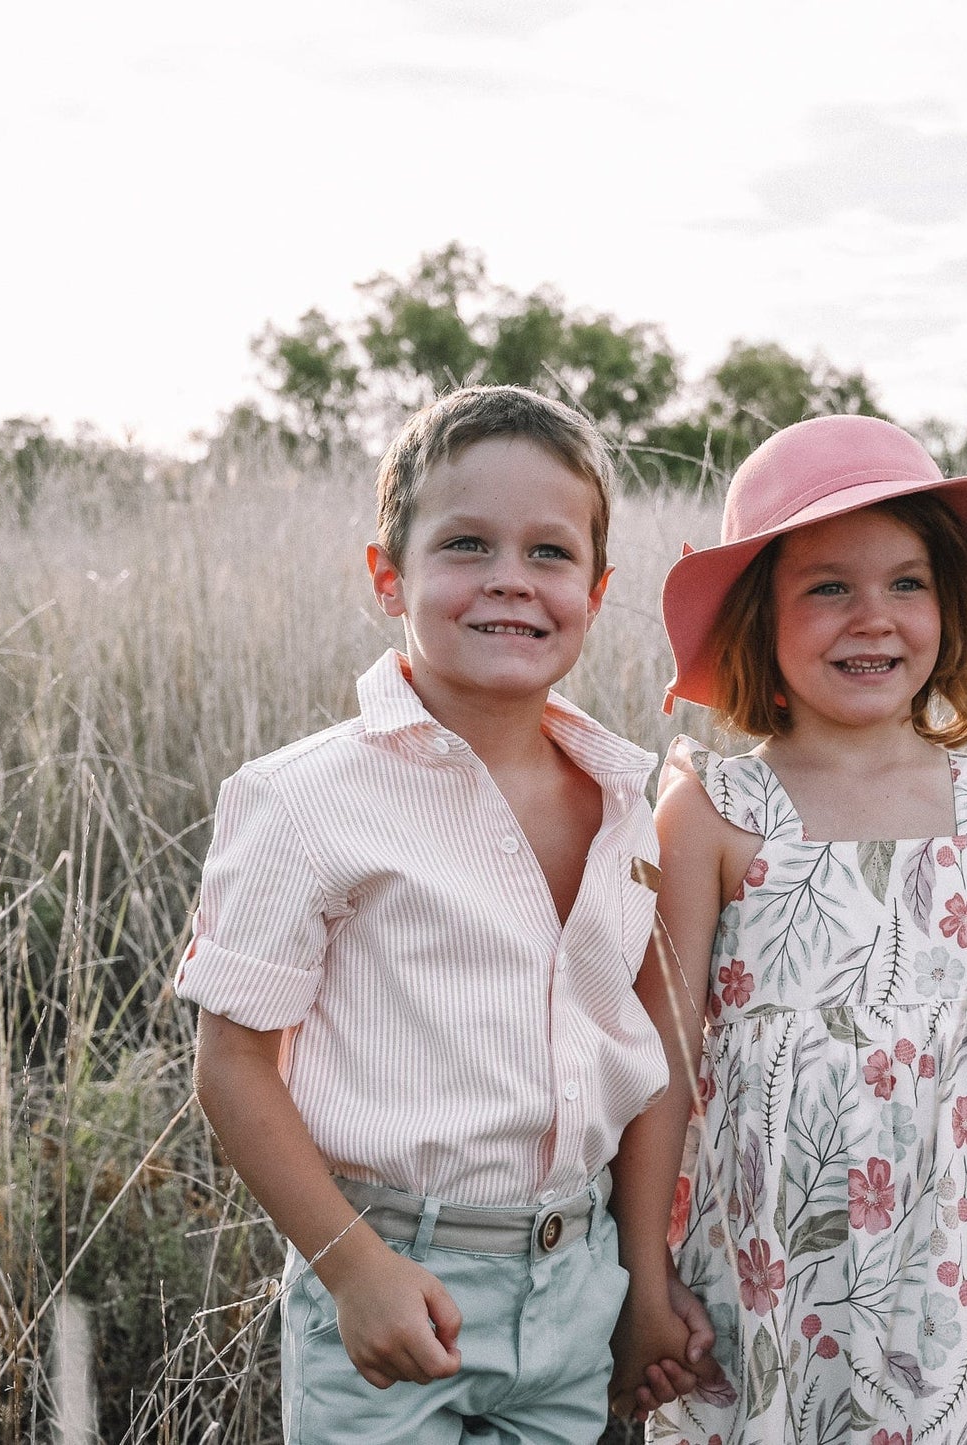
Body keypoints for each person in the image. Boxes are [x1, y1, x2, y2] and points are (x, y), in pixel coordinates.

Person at [176, 385, 712, 1444]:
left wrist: (638, 1281)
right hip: (391, 1273)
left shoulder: (623, 801)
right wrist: (352, 1267)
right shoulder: (303, 798)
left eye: (549, 553)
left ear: (597, 592)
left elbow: (644, 1050)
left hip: (575, 1280)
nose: (510, 579)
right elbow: (231, 1065)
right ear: (389, 575)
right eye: (466, 544)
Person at [609, 414, 967, 1441]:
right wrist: (641, 1275)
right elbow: (660, 1053)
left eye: (907, 581)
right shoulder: (715, 807)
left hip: (958, 1272)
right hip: (767, 1277)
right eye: (827, 585)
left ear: (950, 605)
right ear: (760, 615)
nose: (871, 617)